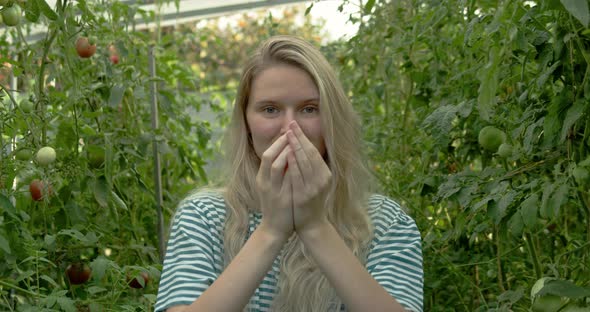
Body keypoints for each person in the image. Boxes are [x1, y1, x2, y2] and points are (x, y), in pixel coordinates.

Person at [155, 35, 423, 312]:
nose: (290, 128)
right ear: (246, 122)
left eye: (309, 109)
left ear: (332, 119)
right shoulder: (204, 216)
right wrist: (272, 229)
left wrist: (315, 226)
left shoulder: (384, 223)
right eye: (270, 109)